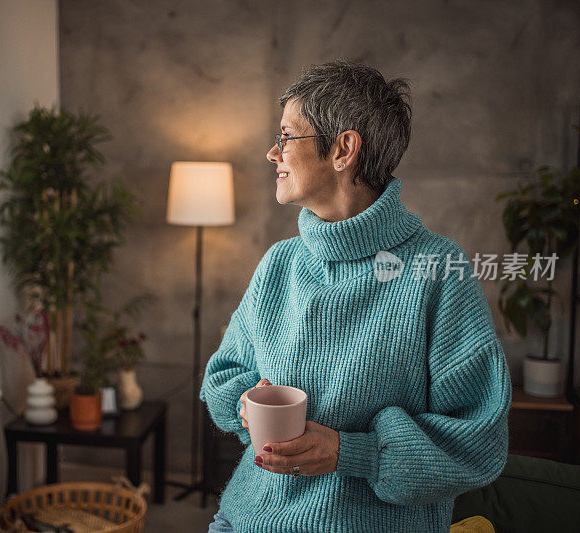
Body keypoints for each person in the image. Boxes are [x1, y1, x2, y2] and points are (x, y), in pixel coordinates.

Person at [199, 61, 511, 533]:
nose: (272, 153)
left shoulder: (438, 273)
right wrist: (246, 401)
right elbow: (223, 377)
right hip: (245, 519)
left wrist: (354, 453)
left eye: (286, 137)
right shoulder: (281, 263)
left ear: (344, 149)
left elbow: (478, 443)